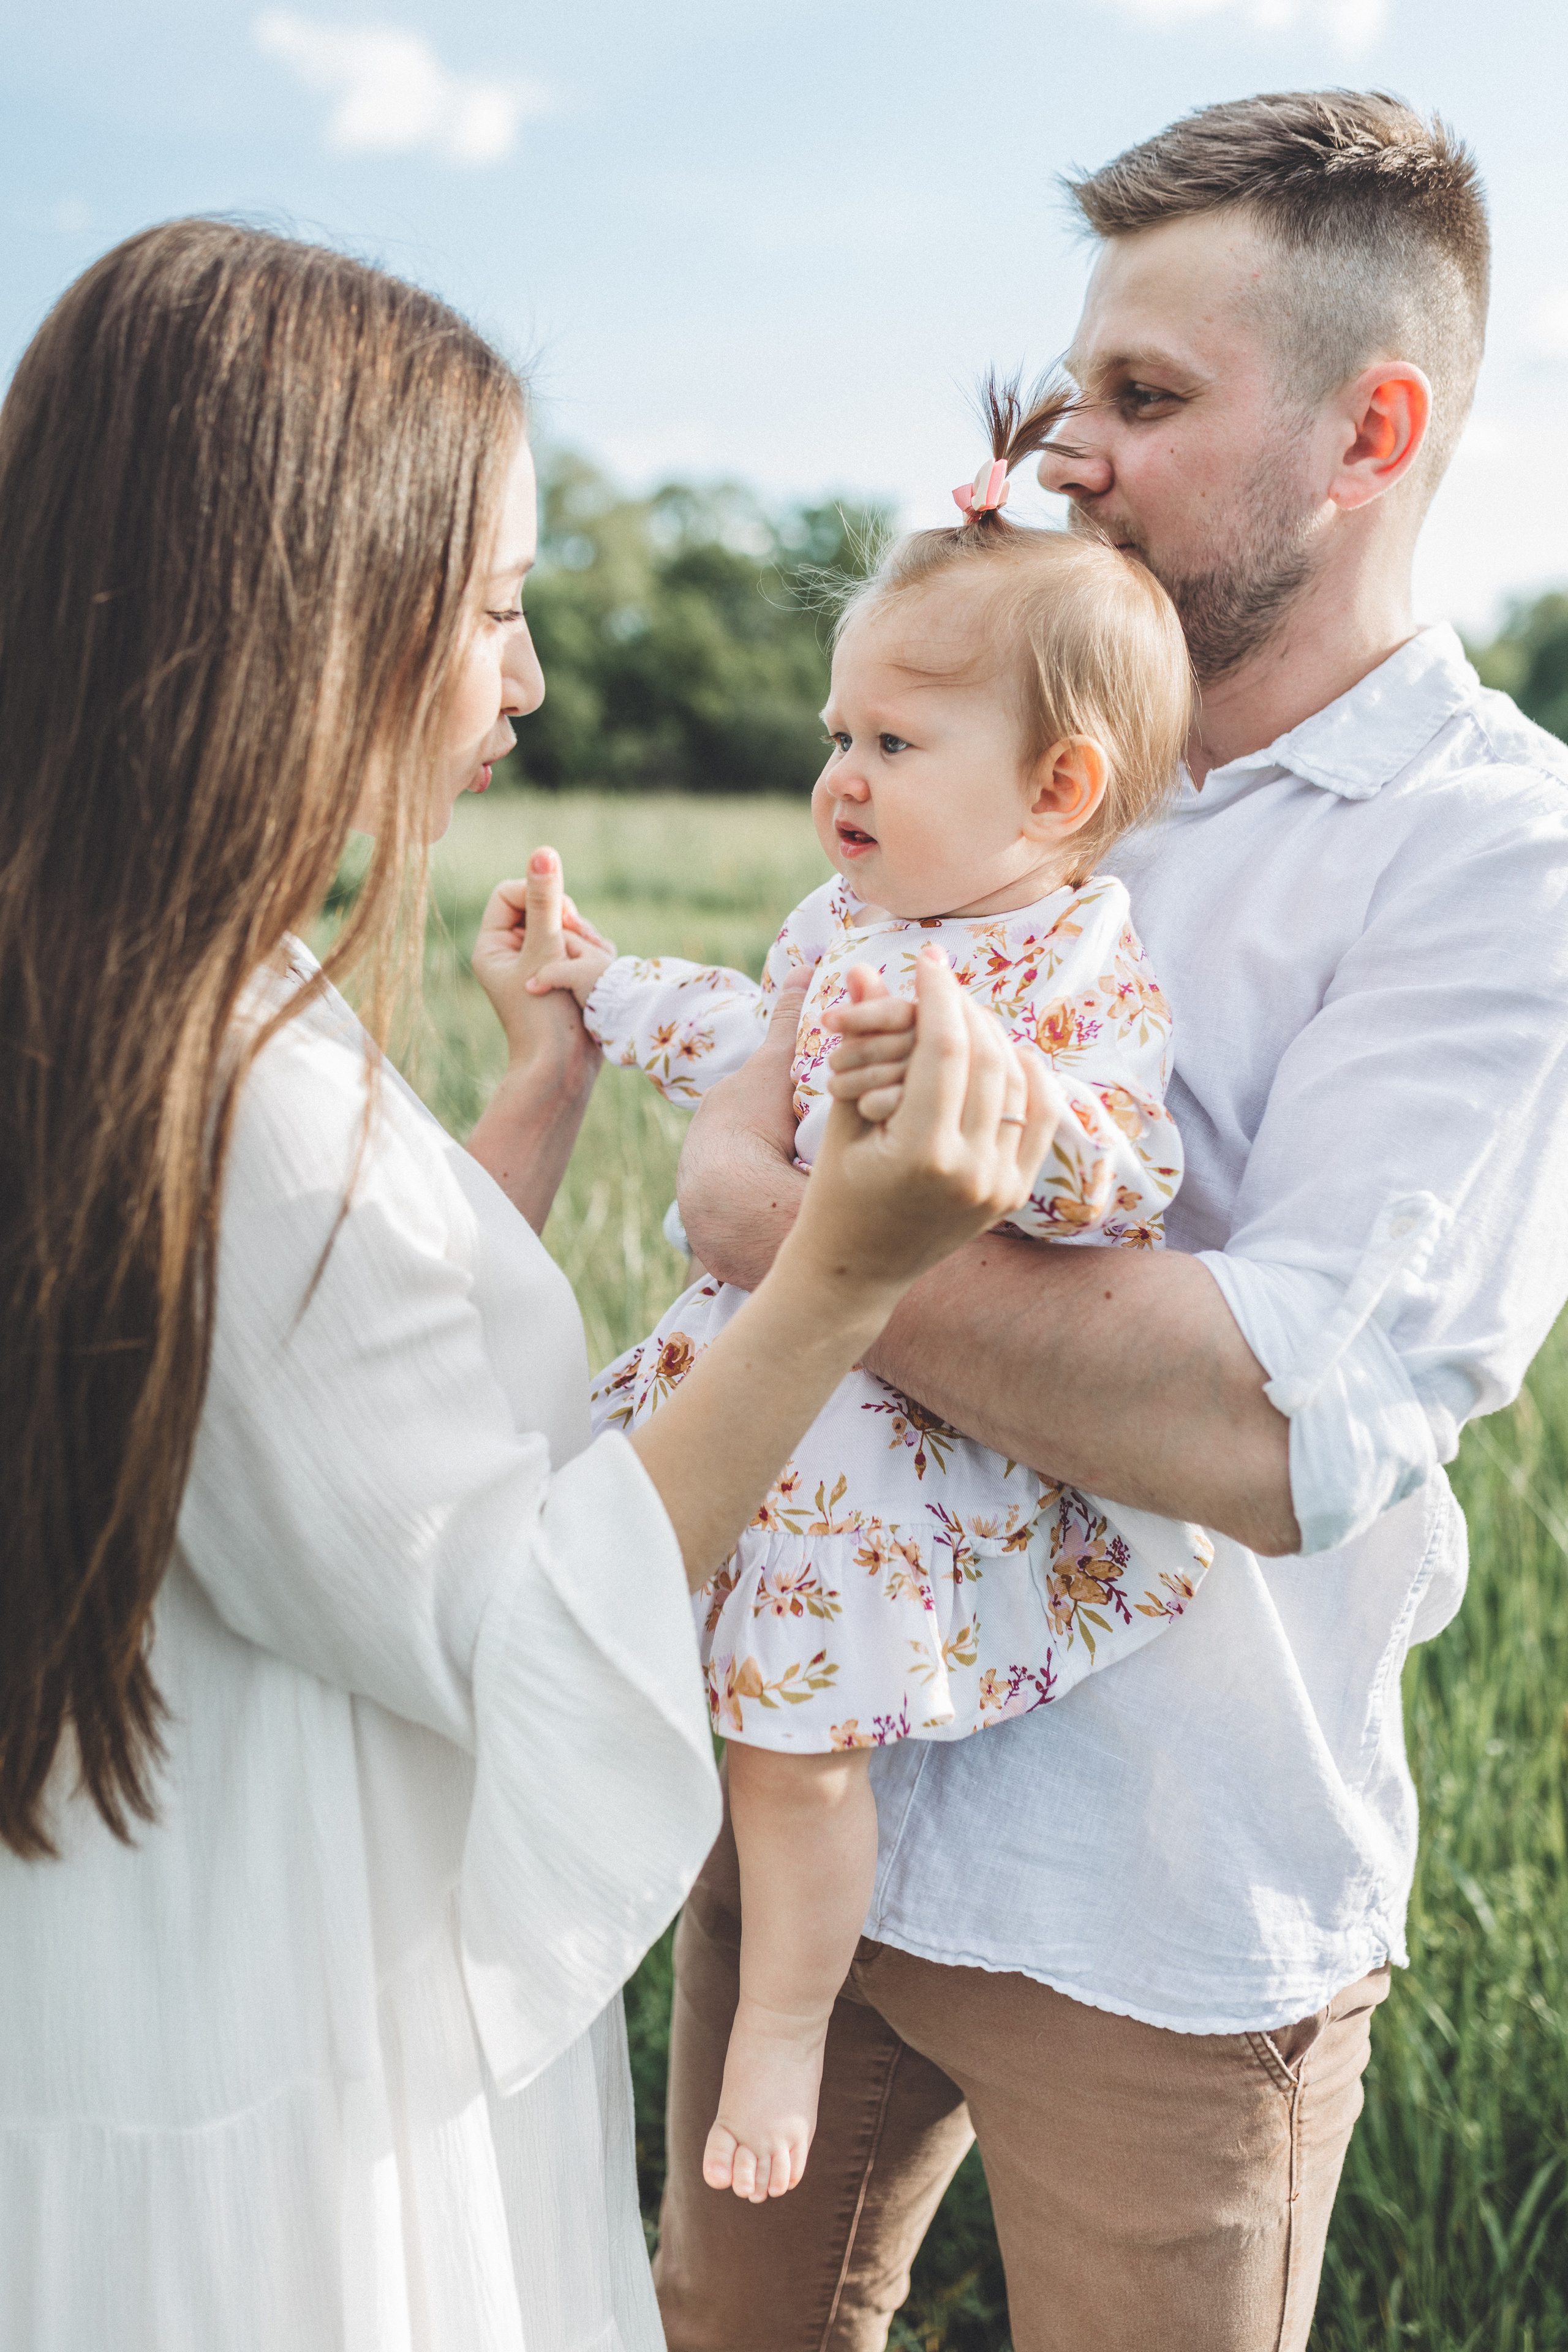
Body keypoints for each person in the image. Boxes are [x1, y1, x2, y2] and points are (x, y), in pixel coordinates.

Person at [0, 221, 1056, 2352]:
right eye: (491, 601)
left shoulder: (126, 990)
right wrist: (835, 1284)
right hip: (300, 2073)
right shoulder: (221, 1076)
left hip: (155, 1949)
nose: (531, 674)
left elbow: (295, 1422)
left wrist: (534, 1116)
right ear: (303, 601)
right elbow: (521, 1628)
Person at [652, 90, 1568, 2352]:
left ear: (1373, 432)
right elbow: (745, 1087)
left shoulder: (1499, 861)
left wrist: (792, 1233)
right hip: (807, 1802)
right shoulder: (995, 705)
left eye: (1148, 400)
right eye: (1076, 387)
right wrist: (768, 1182)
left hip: (1170, 1893)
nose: (1071, 449)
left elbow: (1277, 1428)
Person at [527, 377, 1212, 2206]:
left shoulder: (1073, 963)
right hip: (767, 1381)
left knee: (791, 1741)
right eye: (841, 734)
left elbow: (1129, 1172)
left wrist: (1006, 1100)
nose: (841, 778)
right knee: (609, 1629)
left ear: (1057, 790)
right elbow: (745, 1047)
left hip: (899, 1445)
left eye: (895, 746)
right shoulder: (841, 931)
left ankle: (780, 2018)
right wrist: (601, 987)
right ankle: (603, 1950)